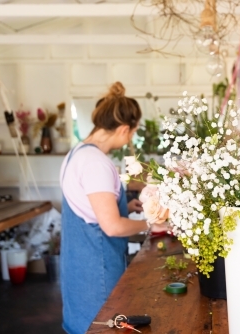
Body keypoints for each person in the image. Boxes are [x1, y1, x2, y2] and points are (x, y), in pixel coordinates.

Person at [59, 81, 166, 334]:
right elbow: (112, 226)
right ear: (124, 129)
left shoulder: (77, 154)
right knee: (104, 326)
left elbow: (88, 207)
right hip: (97, 271)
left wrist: (125, 206)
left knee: (85, 326)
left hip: (78, 268)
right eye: (133, 132)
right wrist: (153, 223)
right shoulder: (96, 163)